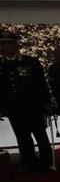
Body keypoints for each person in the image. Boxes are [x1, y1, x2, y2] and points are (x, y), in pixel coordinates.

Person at [0, 31, 54, 171]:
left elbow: (41, 84)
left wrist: (46, 103)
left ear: (16, 45)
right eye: (4, 43)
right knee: (22, 136)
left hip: (33, 105)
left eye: (10, 43)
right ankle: (29, 161)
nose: (7, 46)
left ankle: (47, 161)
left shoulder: (30, 62)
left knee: (40, 134)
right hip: (13, 107)